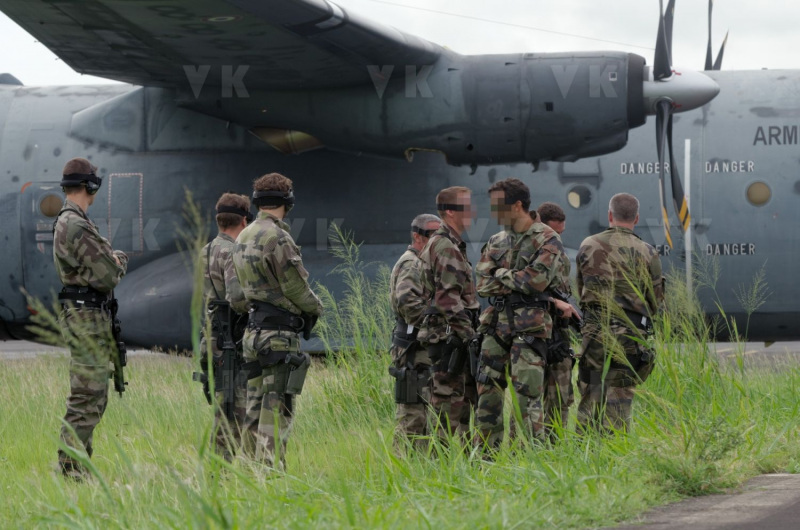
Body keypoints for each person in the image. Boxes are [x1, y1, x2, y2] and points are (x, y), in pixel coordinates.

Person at [474, 179, 577, 450]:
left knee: (527, 397)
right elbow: (482, 284)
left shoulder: (547, 237)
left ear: (517, 205)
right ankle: (485, 460)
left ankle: (533, 459)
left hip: (529, 330)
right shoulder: (497, 239)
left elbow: (536, 282)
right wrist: (513, 279)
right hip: (495, 325)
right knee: (487, 394)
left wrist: (499, 273)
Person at [232, 173, 323, 469]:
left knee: (253, 408)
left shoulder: (243, 236)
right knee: (277, 409)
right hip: (278, 336)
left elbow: (235, 295)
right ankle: (271, 475)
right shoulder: (278, 237)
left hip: (253, 333)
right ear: (288, 202)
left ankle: (247, 472)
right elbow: (295, 286)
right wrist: (315, 309)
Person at [52, 157, 128, 480]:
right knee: (87, 395)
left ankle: (77, 465)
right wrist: (118, 259)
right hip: (86, 319)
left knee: (92, 393)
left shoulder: (71, 221)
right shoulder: (76, 225)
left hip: (85, 317)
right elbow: (108, 274)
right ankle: (70, 468)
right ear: (90, 186)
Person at [575, 193, 664, 433]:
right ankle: (616, 452)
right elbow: (655, 302)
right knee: (620, 397)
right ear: (636, 218)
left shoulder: (588, 244)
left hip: (594, 331)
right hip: (630, 335)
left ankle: (584, 452)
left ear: (610, 215)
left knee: (590, 392)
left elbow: (580, 289)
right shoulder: (647, 252)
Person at [417, 186, 480, 444]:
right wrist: (471, 337)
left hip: (453, 336)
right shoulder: (445, 246)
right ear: (451, 212)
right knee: (446, 411)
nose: (473, 212)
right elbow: (447, 299)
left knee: (463, 407)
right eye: (467, 207)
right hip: (450, 339)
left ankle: (463, 468)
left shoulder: (452, 244)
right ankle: (438, 469)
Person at [196, 192, 252, 461]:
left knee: (223, 405)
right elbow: (236, 298)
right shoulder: (233, 251)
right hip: (231, 340)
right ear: (243, 220)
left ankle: (220, 467)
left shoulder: (205, 251)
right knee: (233, 412)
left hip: (211, 338)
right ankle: (221, 468)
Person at [389, 214, 442, 449]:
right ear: (417, 236)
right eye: (433, 235)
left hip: (421, 347)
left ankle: (418, 471)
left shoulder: (423, 262)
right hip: (412, 348)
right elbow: (408, 304)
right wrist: (439, 327)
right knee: (413, 416)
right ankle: (402, 468)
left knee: (424, 414)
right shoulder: (412, 263)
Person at [537, 201, 575, 440]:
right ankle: (524, 449)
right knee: (529, 397)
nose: (557, 239)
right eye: (553, 232)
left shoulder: (558, 253)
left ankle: (555, 446)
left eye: (560, 234)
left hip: (558, 333)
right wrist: (552, 302)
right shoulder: (525, 250)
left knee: (561, 395)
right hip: (533, 330)